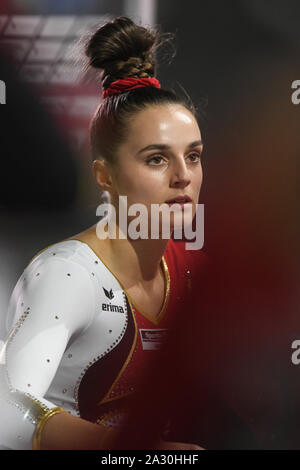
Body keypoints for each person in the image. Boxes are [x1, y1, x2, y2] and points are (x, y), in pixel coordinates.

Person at [0, 16, 205, 450]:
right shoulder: (67, 277)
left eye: (194, 156)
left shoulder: (195, 270)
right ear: (105, 176)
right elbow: (7, 411)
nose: (184, 176)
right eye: (156, 159)